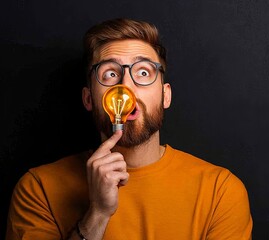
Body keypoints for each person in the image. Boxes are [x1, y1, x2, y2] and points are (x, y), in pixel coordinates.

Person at [5, 18, 253, 240]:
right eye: (111, 74)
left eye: (143, 72)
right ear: (89, 98)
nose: (126, 87)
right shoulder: (38, 189)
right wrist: (98, 214)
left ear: (165, 96)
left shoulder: (220, 191)